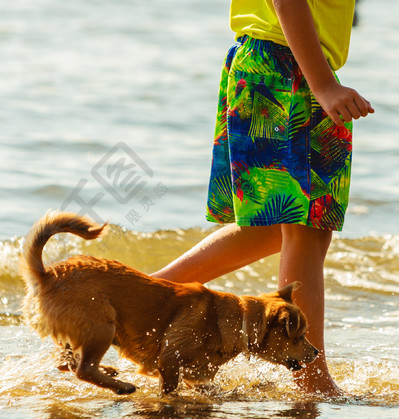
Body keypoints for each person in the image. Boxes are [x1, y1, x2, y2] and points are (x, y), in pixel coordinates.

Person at [152, 0, 373, 397]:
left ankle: (141, 294)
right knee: (304, 227)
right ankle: (310, 377)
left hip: (277, 60)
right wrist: (322, 83)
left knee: (278, 225)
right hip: (286, 67)